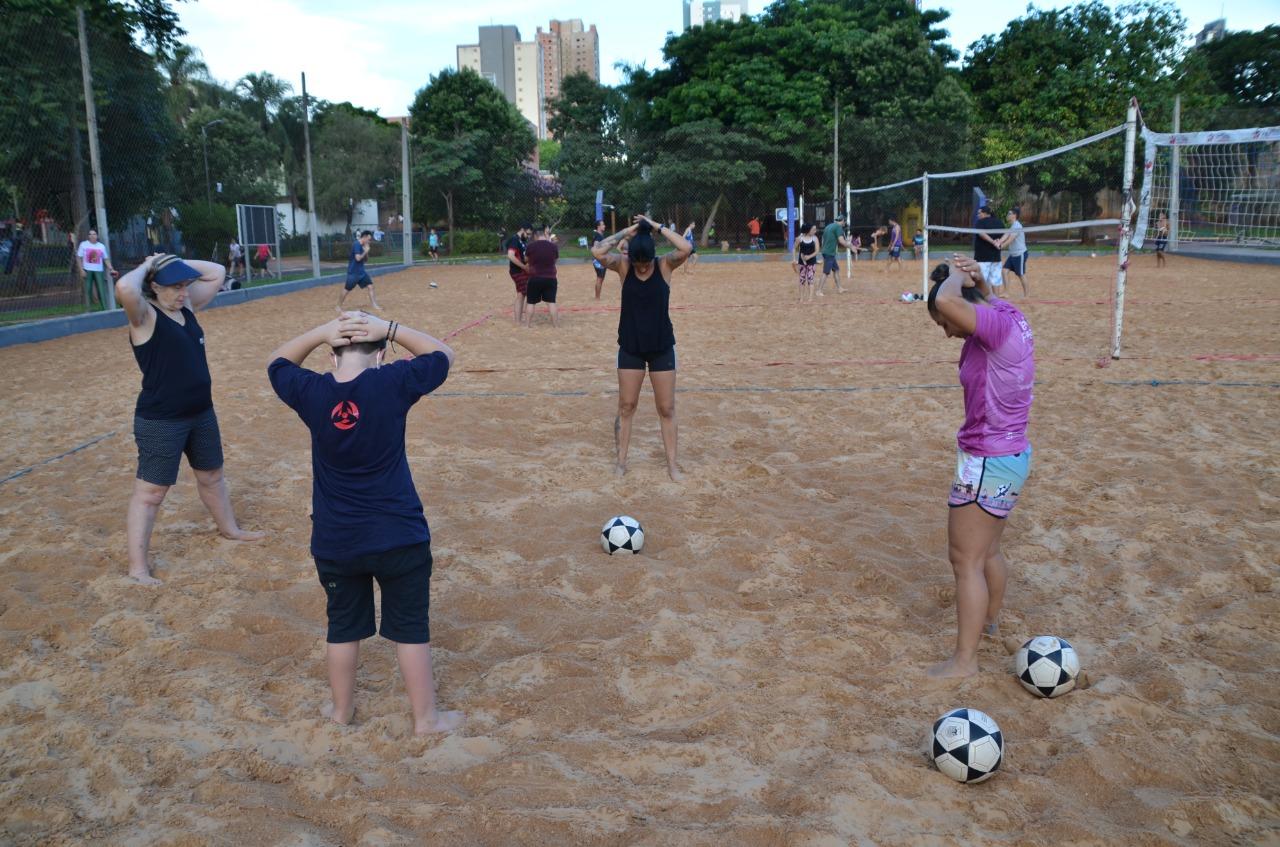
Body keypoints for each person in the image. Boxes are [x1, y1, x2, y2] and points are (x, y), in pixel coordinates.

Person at [267, 311, 463, 735]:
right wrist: (390, 328)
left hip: (337, 539)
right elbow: (444, 354)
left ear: (332, 357)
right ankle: (425, 719)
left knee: (342, 627)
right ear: (380, 354)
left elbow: (277, 362)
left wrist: (321, 332)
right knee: (411, 629)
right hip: (399, 534)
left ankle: (341, 713)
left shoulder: (312, 390)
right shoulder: (391, 381)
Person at [114, 254, 263, 585]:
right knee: (151, 492)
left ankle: (230, 529)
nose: (183, 292)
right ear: (154, 287)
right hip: (162, 419)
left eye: (185, 285)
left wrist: (174, 261)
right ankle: (138, 569)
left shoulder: (186, 307)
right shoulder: (144, 316)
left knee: (211, 475)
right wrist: (150, 263)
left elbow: (218, 272)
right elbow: (125, 286)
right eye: (175, 286)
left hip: (201, 412)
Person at [925, 255, 1035, 679]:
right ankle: (988, 624)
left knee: (964, 560)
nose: (949, 330)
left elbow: (951, 304)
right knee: (988, 551)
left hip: (988, 459)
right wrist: (980, 283)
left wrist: (954, 275)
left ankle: (964, 662)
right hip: (1010, 455)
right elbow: (976, 300)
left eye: (943, 323)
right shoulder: (1006, 313)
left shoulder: (992, 326)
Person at [591, 216, 693, 481]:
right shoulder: (624, 266)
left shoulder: (664, 265)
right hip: (631, 347)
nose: (643, 268)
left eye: (645, 263)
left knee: (666, 408)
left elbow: (686, 248)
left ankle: (672, 465)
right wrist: (628, 231)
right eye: (639, 264)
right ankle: (621, 462)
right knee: (626, 406)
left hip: (661, 346)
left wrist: (657, 227)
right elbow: (597, 251)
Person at [524, 226, 560, 328]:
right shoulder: (553, 246)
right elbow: (555, 260)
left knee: (531, 302)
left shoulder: (531, 246)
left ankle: (527, 325)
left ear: (535, 236)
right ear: (544, 234)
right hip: (550, 278)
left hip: (535, 278)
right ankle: (555, 325)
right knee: (551, 302)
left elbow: (526, 259)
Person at [337, 230, 380, 313]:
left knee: (370, 286)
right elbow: (357, 258)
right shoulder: (356, 244)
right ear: (364, 237)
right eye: (369, 239)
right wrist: (365, 251)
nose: (369, 241)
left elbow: (366, 260)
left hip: (361, 272)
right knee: (347, 289)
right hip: (353, 272)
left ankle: (374, 304)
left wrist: (366, 252)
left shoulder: (363, 245)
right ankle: (338, 306)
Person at [76, 229, 117, 310]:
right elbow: (79, 258)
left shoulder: (101, 246)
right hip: (87, 270)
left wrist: (111, 269)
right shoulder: (83, 244)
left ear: (97, 236)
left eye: (94, 234)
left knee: (101, 289)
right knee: (88, 290)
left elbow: (106, 259)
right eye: (90, 234)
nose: (92, 236)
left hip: (98, 270)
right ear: (88, 236)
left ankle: (105, 309)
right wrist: (81, 270)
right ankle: (88, 310)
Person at [816, 213, 850, 296]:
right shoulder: (838, 227)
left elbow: (823, 239)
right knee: (826, 272)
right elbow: (842, 241)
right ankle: (819, 290)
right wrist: (850, 246)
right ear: (842, 221)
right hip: (829, 253)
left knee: (836, 270)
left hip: (826, 251)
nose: (844, 224)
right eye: (844, 222)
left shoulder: (829, 226)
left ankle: (839, 288)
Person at [973, 205, 1004, 294]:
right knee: (995, 280)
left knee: (981, 280)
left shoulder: (980, 222)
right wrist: (998, 241)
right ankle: (996, 301)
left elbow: (981, 234)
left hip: (983, 257)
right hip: (996, 257)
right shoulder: (999, 222)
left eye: (979, 213)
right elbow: (1006, 234)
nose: (978, 215)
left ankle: (982, 301)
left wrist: (993, 242)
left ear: (985, 213)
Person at [999, 207, 1029, 298]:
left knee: (1021, 275)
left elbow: (1010, 240)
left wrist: (1000, 247)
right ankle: (1006, 292)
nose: (1007, 215)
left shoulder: (1017, 226)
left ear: (1014, 215)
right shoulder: (1012, 226)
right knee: (1004, 271)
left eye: (1009, 214)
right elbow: (1005, 235)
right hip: (1013, 255)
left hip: (1020, 254)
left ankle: (1026, 295)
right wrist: (998, 242)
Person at [506, 223, 531, 325]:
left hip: (522, 270)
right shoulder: (514, 239)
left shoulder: (522, 240)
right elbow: (511, 256)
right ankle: (518, 320)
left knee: (522, 294)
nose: (529, 236)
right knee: (522, 294)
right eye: (528, 233)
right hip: (518, 271)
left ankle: (518, 320)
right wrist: (524, 266)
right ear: (522, 229)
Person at [792, 223, 820, 303]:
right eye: (813, 230)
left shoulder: (815, 238)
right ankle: (801, 298)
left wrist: (809, 256)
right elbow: (794, 248)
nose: (815, 231)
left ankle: (810, 298)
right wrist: (794, 259)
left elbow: (817, 250)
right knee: (802, 280)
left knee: (811, 279)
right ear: (808, 230)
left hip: (812, 262)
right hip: (802, 263)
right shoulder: (800, 238)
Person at [590, 220, 607, 298]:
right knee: (600, 278)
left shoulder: (599, 235)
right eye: (603, 224)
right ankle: (597, 297)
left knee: (601, 278)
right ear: (598, 227)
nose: (604, 226)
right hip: (598, 260)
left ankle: (597, 296)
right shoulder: (598, 236)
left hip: (600, 260)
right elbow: (595, 247)